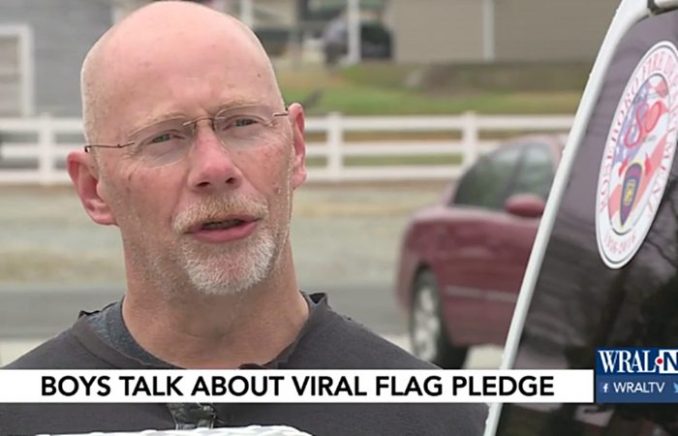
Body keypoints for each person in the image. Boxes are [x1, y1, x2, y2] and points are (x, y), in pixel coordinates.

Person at [0, 2, 486, 434]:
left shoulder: (437, 419)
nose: (216, 169)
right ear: (94, 188)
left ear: (295, 148)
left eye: (242, 123)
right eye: (165, 137)